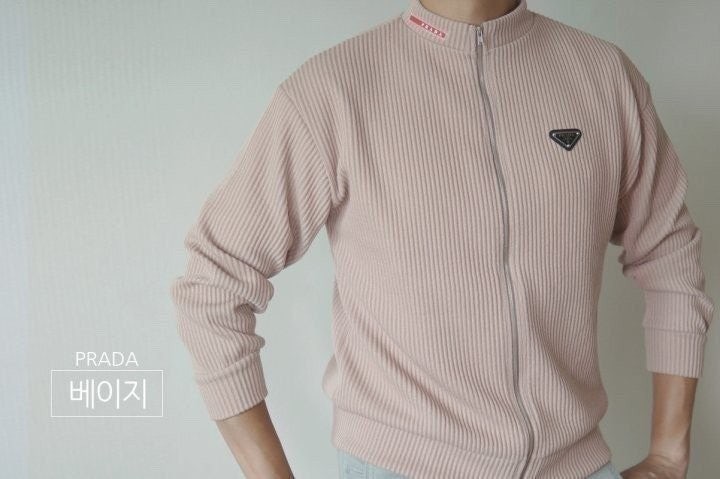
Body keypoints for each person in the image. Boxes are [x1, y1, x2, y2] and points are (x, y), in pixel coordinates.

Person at [169, 0, 715, 477]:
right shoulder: (333, 90)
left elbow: (668, 252)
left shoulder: (603, 75)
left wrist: (669, 453)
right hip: (401, 466)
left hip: (575, 464)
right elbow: (213, 287)